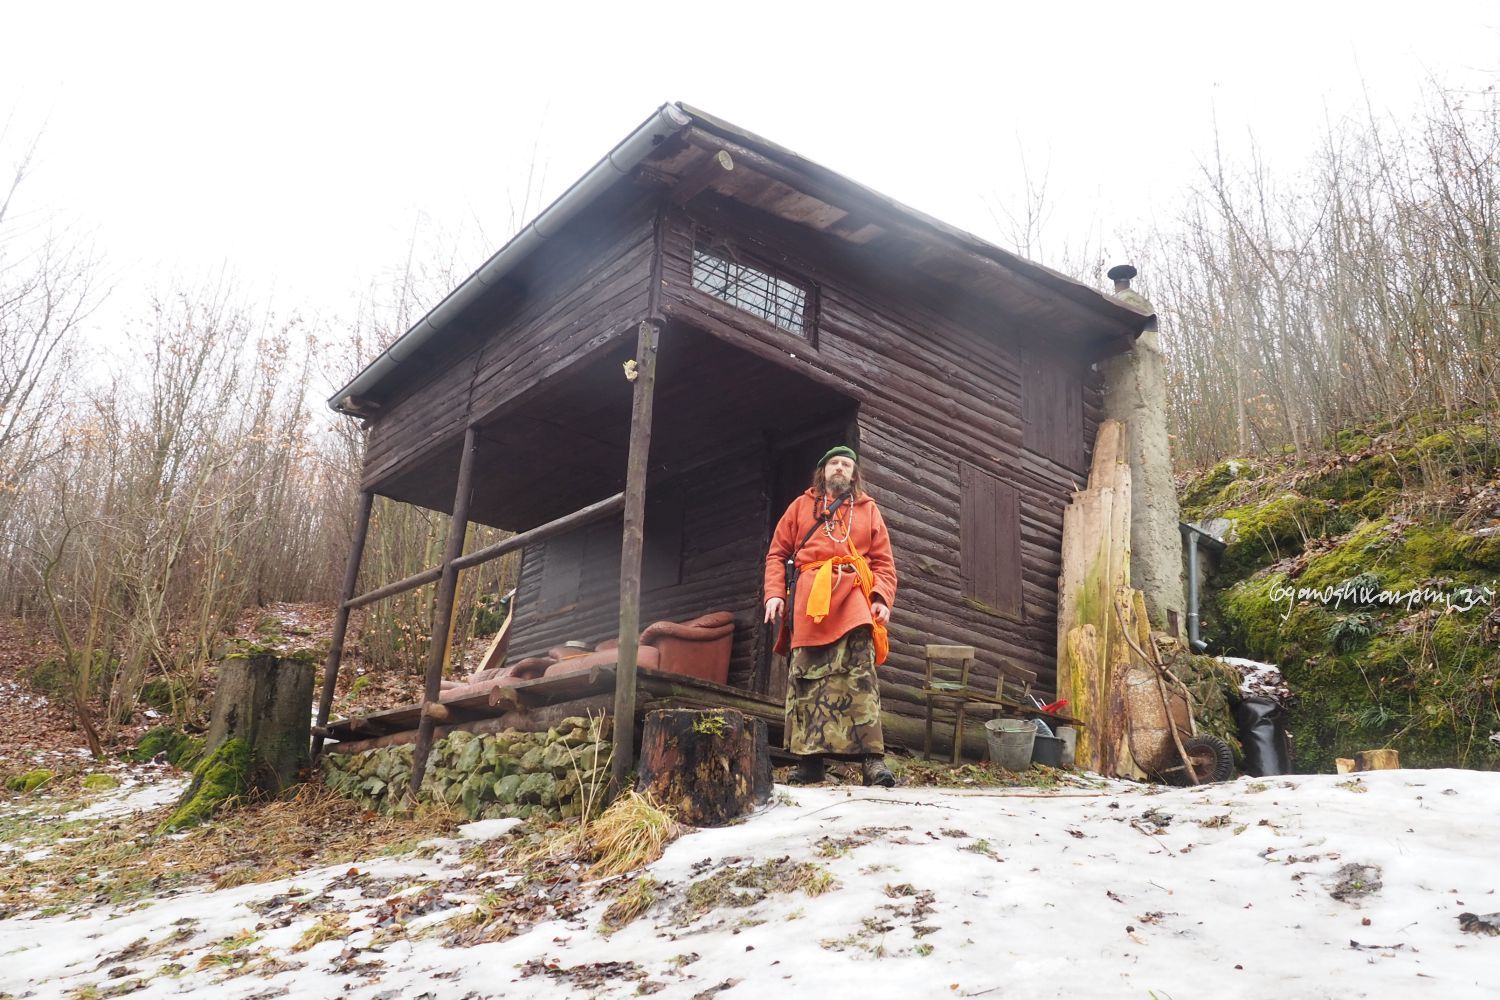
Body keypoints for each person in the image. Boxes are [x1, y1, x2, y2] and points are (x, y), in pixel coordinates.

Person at [764, 446, 898, 787]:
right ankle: (810, 763)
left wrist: (881, 597)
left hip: (854, 595)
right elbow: (777, 553)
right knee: (807, 677)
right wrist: (775, 594)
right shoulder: (799, 507)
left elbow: (883, 562)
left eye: (846, 464)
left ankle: (873, 763)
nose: (840, 468)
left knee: (860, 675)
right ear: (822, 471)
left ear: (854, 474)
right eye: (834, 463)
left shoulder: (868, 510)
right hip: (809, 599)